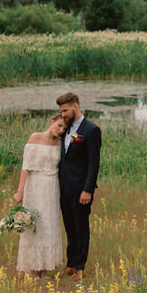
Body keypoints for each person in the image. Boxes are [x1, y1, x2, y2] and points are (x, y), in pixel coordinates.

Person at [12, 114, 67, 277]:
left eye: (64, 128)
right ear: (52, 121)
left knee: (49, 226)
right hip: (35, 186)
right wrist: (20, 191)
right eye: (59, 126)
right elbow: (26, 166)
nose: (61, 130)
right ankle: (31, 269)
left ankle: (43, 267)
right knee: (35, 224)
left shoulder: (60, 142)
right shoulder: (35, 137)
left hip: (52, 187)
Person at [55, 91, 101, 278]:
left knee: (81, 227)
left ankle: (80, 267)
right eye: (61, 111)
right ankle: (70, 264)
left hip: (81, 189)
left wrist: (87, 190)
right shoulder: (65, 128)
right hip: (64, 187)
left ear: (76, 106)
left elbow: (93, 163)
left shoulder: (91, 130)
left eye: (65, 110)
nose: (63, 114)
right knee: (69, 227)